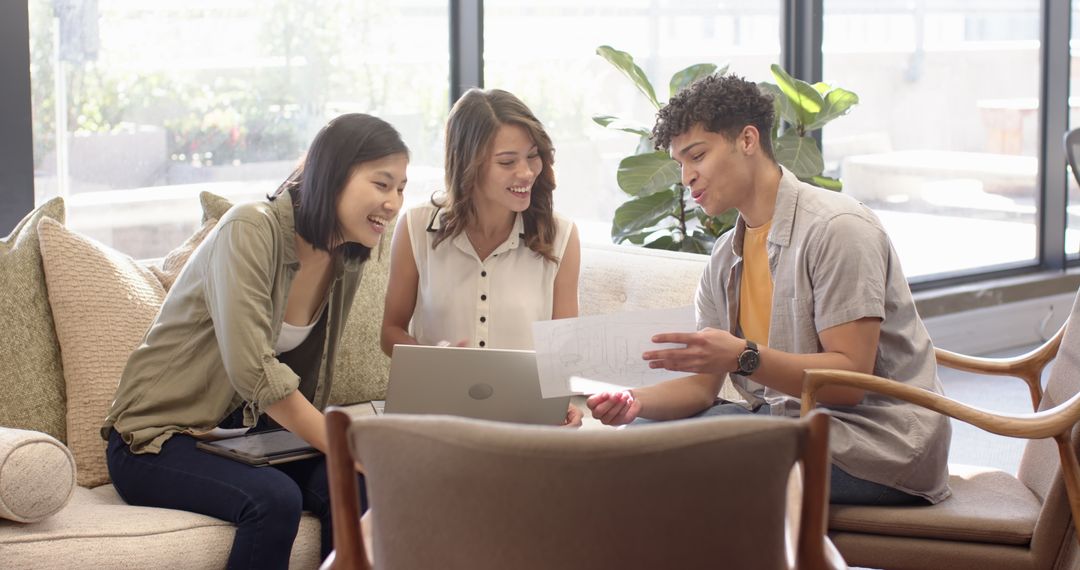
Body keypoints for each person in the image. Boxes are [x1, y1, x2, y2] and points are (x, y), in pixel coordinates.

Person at [587, 74, 951, 505]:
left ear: (747, 139)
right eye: (680, 164)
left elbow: (848, 382)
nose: (686, 177)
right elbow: (702, 389)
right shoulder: (725, 258)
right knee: (634, 441)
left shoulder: (838, 230)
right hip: (786, 423)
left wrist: (742, 356)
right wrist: (633, 400)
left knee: (672, 460)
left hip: (875, 443)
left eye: (697, 156)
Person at [101, 113, 408, 569]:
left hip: (244, 438)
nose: (394, 203)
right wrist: (343, 443)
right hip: (155, 439)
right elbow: (253, 370)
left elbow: (308, 380)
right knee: (274, 499)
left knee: (358, 485)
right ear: (334, 174)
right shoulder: (250, 228)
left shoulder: (347, 258)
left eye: (402, 188)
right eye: (382, 185)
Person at [381, 88, 583, 426]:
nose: (526, 173)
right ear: (468, 164)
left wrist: (560, 406)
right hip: (436, 417)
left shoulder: (561, 236)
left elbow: (562, 357)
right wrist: (434, 359)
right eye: (507, 162)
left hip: (522, 420)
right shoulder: (416, 227)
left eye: (532, 156)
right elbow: (390, 331)